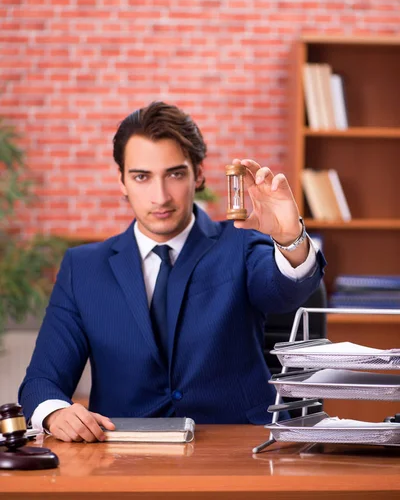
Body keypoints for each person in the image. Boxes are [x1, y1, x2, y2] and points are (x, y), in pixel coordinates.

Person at [19, 101, 326, 442]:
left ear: (199, 174)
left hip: (236, 448)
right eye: (141, 177)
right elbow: (41, 382)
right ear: (121, 181)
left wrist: (288, 237)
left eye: (175, 174)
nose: (160, 196)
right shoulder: (83, 268)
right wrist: (55, 412)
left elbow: (285, 290)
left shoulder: (240, 245)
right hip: (121, 451)